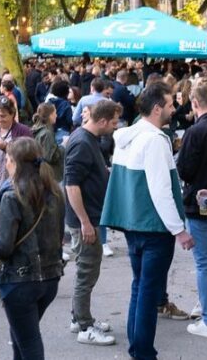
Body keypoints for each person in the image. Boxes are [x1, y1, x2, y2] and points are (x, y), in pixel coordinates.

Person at [100, 82, 194, 360]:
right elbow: (160, 189)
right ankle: (143, 352)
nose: (173, 109)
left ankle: (138, 349)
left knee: (139, 288)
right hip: (154, 228)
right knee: (148, 292)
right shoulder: (153, 139)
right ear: (156, 109)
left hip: (135, 226)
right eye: (170, 104)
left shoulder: (131, 136)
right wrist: (179, 230)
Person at [0, 138, 65, 360]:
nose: (7, 164)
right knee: (22, 337)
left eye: (8, 160)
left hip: (20, 281)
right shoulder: (56, 192)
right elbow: (59, 237)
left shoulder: (13, 195)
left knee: (28, 341)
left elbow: (3, 247)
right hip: (50, 278)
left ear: (14, 162)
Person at [64, 99, 121, 346]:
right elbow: (71, 185)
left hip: (90, 218)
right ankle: (84, 326)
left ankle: (80, 317)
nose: (116, 127)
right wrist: (85, 222)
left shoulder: (87, 139)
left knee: (87, 270)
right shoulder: (82, 143)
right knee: (86, 271)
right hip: (85, 221)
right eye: (114, 122)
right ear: (102, 121)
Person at [174, 81, 207, 339]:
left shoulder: (195, 132)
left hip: (199, 202)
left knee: (205, 263)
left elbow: (184, 169)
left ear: (194, 103)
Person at [31, 102, 62, 184]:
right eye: (55, 113)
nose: (56, 115)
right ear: (50, 115)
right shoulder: (47, 133)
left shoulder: (36, 128)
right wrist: (63, 147)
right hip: (50, 176)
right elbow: (50, 157)